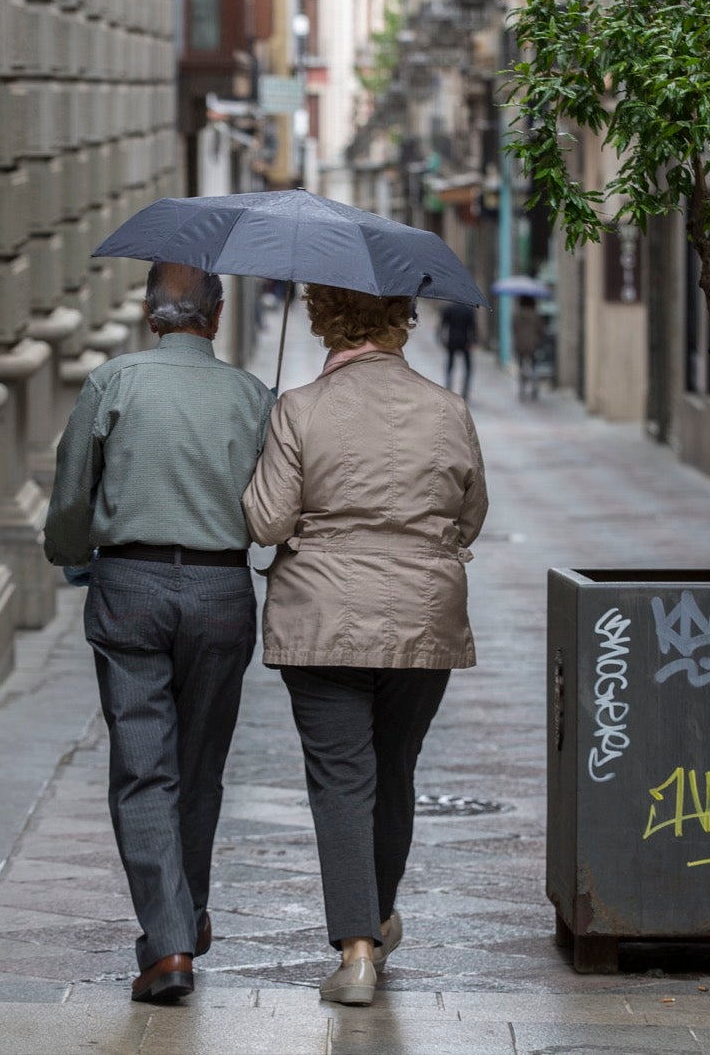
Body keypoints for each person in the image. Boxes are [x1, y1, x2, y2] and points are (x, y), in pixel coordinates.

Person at [242, 284, 489, 1007]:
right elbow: (470, 515)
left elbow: (265, 521)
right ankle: (375, 918)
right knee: (395, 769)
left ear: (322, 319)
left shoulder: (298, 408)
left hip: (321, 620)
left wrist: (269, 451)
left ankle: (357, 951)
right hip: (423, 617)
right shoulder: (449, 409)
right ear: (401, 320)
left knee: (341, 779)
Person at [43, 261, 273, 1004]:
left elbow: (72, 489)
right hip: (221, 590)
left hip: (131, 587)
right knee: (201, 767)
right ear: (215, 314)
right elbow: (273, 505)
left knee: (145, 767)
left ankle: (171, 939)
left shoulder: (113, 383)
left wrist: (76, 559)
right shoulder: (250, 393)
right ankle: (185, 913)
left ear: (150, 314)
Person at [437, 299, 477, 399]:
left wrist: (442, 339)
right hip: (465, 341)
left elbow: (442, 326)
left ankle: (448, 388)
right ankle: (465, 391)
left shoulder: (449, 309)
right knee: (468, 368)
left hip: (452, 340)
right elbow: (473, 327)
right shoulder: (469, 310)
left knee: (450, 366)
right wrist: (473, 341)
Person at [512, 295, 544, 401]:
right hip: (533, 345)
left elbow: (513, 329)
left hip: (520, 345)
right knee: (534, 367)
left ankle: (522, 389)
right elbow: (541, 330)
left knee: (521, 367)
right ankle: (534, 388)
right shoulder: (535, 315)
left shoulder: (517, 315)